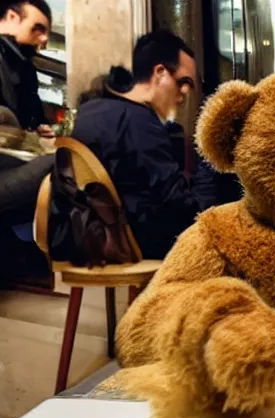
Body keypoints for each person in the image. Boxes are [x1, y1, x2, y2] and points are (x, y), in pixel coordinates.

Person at [72, 29, 218, 259]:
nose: (186, 92)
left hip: (85, 233)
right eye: (183, 82)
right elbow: (179, 205)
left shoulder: (91, 109)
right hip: (133, 240)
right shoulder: (139, 121)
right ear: (159, 72)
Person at [0, 0, 53, 136]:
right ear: (12, 18)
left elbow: (33, 114)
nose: (45, 39)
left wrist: (39, 128)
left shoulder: (25, 68)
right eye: (38, 28)